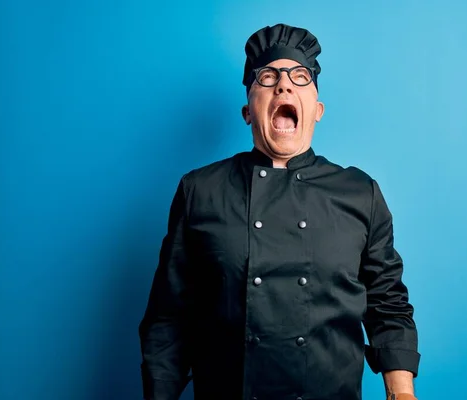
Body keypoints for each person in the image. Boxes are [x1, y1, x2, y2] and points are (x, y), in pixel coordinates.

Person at [139, 23, 420, 400]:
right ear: (247, 111)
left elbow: (388, 304)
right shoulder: (200, 191)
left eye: (299, 77)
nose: (284, 86)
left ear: (317, 109)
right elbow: (168, 319)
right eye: (268, 77)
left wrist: (400, 393)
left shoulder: (360, 193)